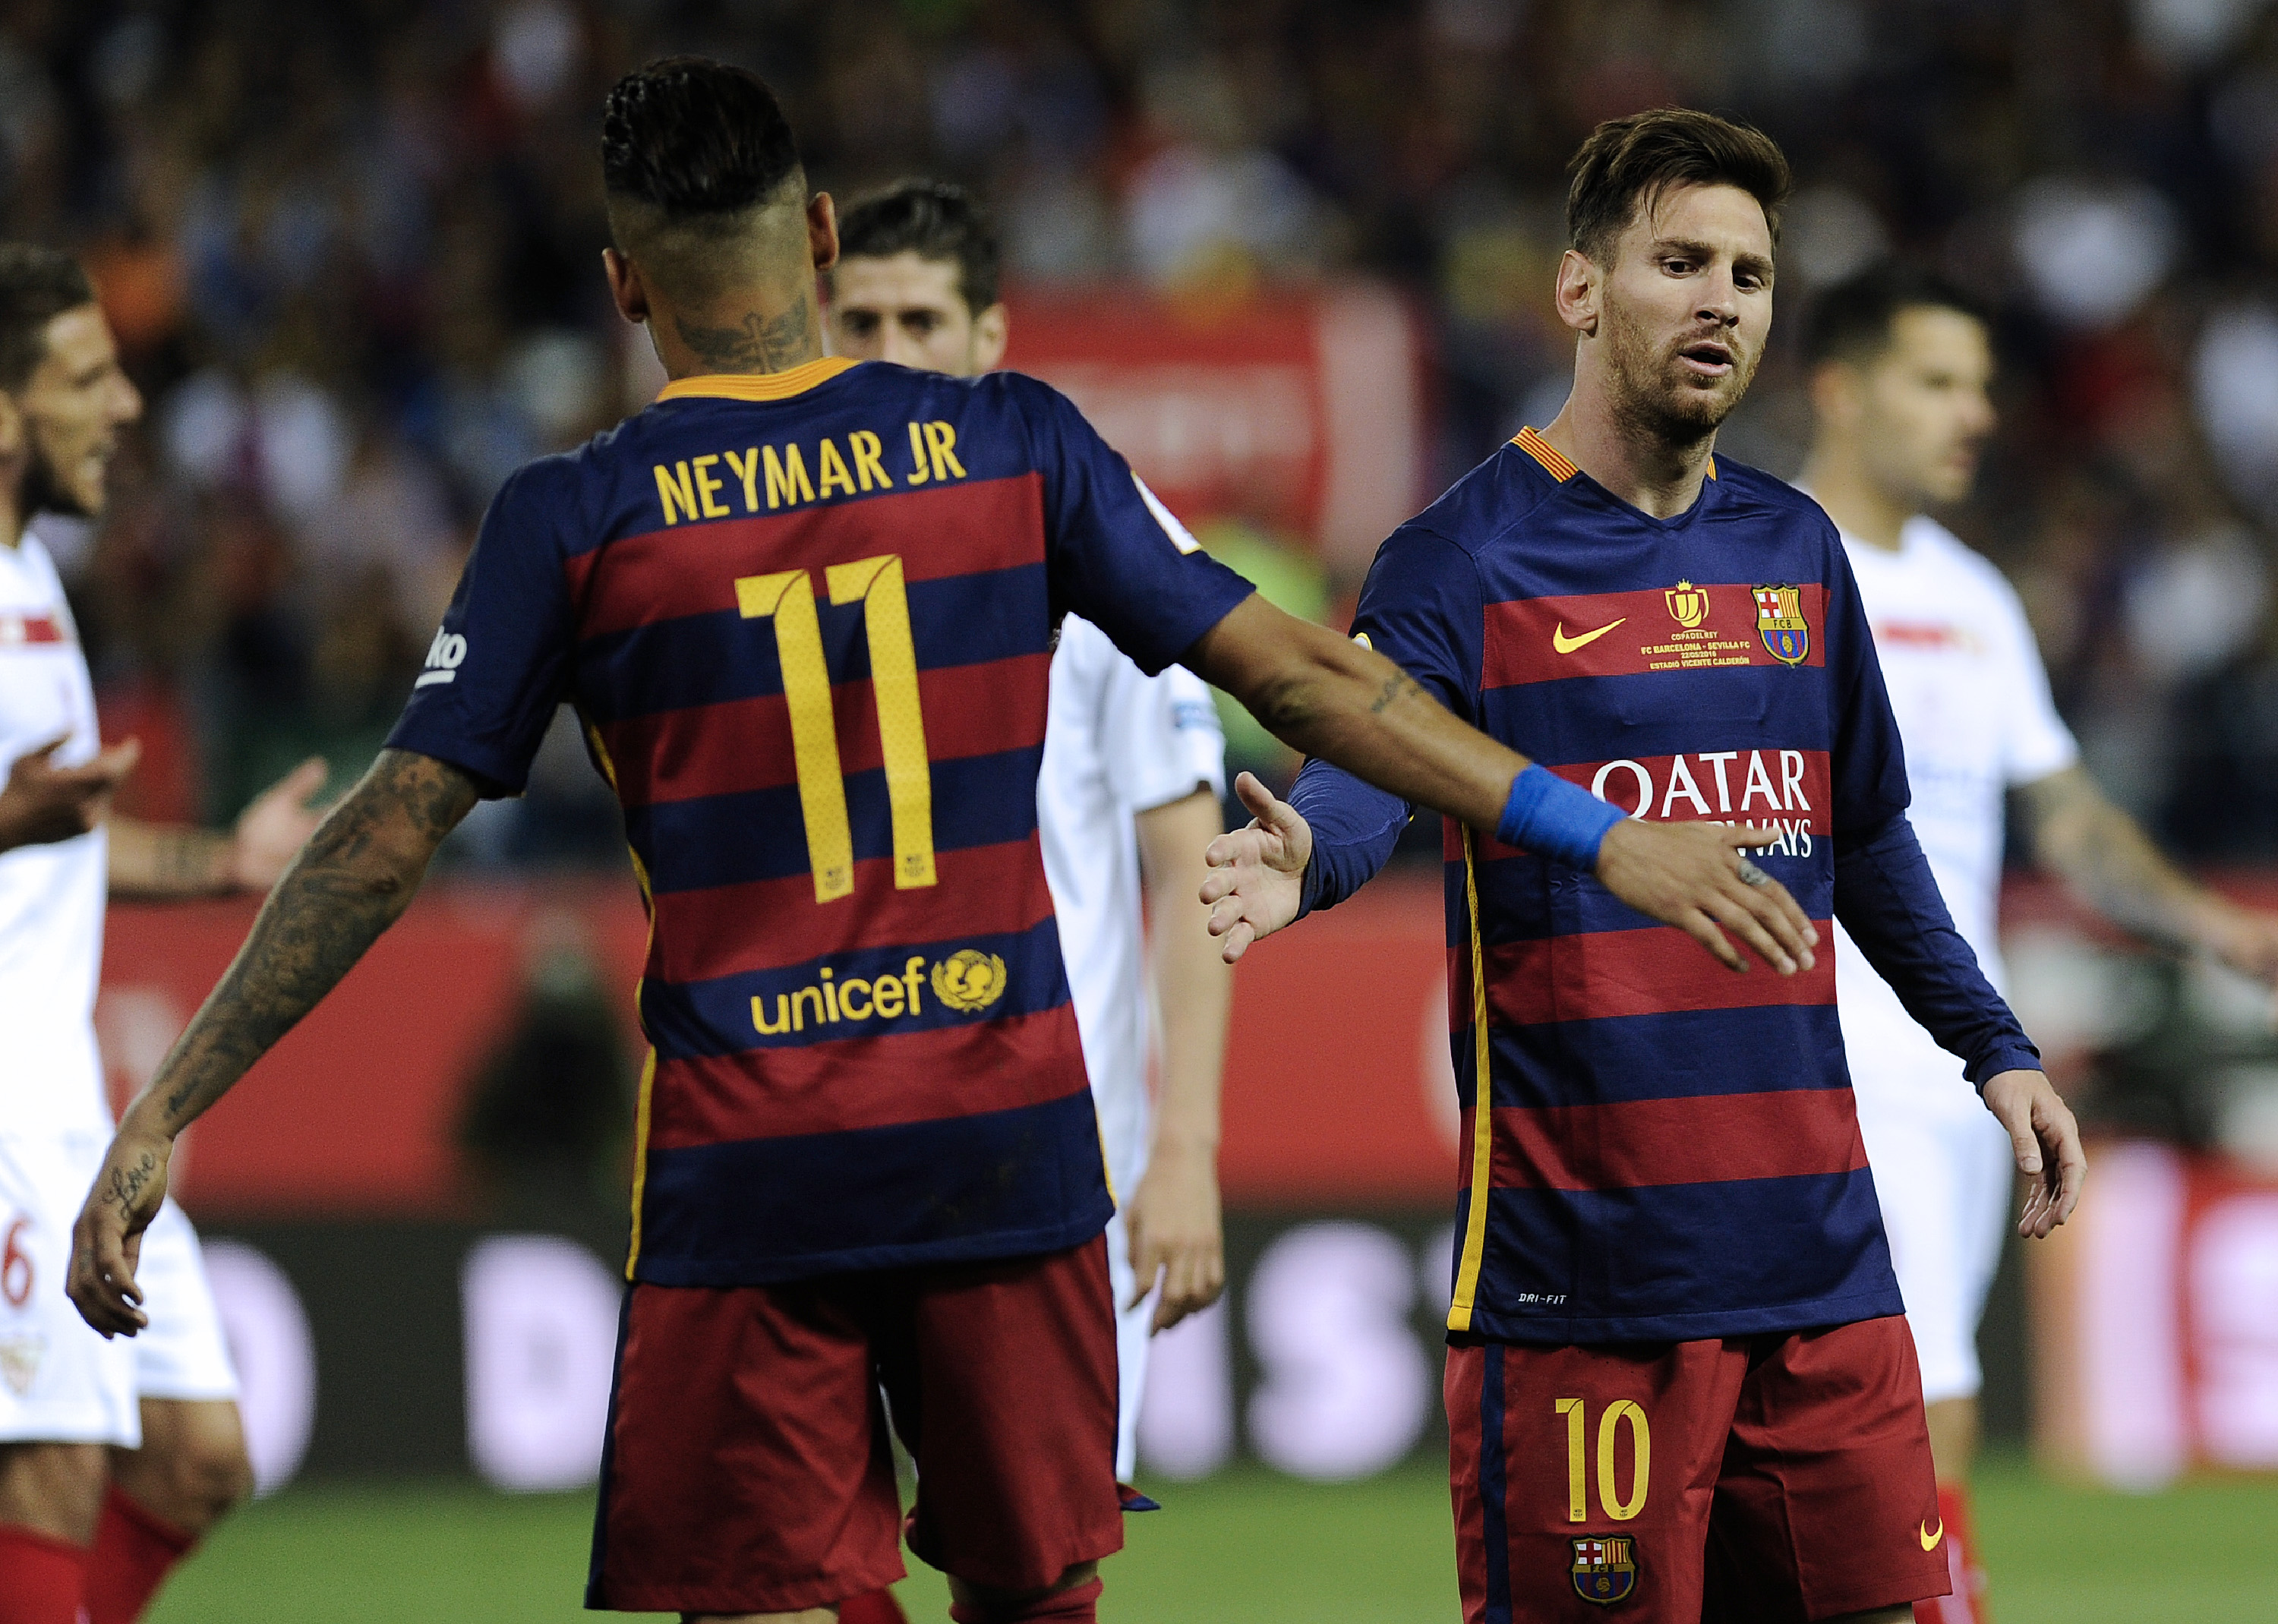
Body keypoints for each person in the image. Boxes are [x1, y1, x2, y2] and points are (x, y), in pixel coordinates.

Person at [70, 61, 1816, 1624]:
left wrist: (169, 1105)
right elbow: (1303, 679)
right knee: (1034, 1589)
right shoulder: (1013, 443)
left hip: (750, 1168)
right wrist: (1599, 834)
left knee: (756, 1595)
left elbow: (388, 834)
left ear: (623, 284)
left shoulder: (575, 516)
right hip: (1005, 1147)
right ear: (821, 239)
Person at [1200, 110, 2086, 1624]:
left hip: (1819, 1264)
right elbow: (1368, 767)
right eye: (1680, 260)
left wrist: (1993, 1046)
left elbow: (1863, 828)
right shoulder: (1459, 558)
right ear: (1579, 288)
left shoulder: (1797, 548)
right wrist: (1316, 857)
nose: (1721, 299)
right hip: (1588, 1291)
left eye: (1747, 270)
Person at [1795, 262, 2278, 1624]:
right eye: (1938, 382)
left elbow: (2061, 816)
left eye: (1985, 387)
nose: (1978, 414)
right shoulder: (1755, 559)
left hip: (1961, 1068)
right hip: (1822, 1053)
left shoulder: (1972, 597)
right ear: (1841, 388)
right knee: (1915, 1404)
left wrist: (2209, 926)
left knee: (1915, 1413)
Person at [825, 176, 1233, 1469]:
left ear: (990, 339)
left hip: (1053, 1154)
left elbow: (1193, 865)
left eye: (923, 323)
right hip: (819, 1138)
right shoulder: (764, 534)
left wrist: (1186, 1148)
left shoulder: (1096, 528)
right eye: (863, 324)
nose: (892, 357)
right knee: (805, 1567)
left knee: (1036, 1570)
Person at [0, 244, 326, 1624]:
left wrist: (222, 862)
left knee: (198, 1459)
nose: (126, 405)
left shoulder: (31, 574)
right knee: (52, 1466)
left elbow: (60, 829)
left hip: (68, 1090)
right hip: (5, 1100)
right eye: (85, 377)